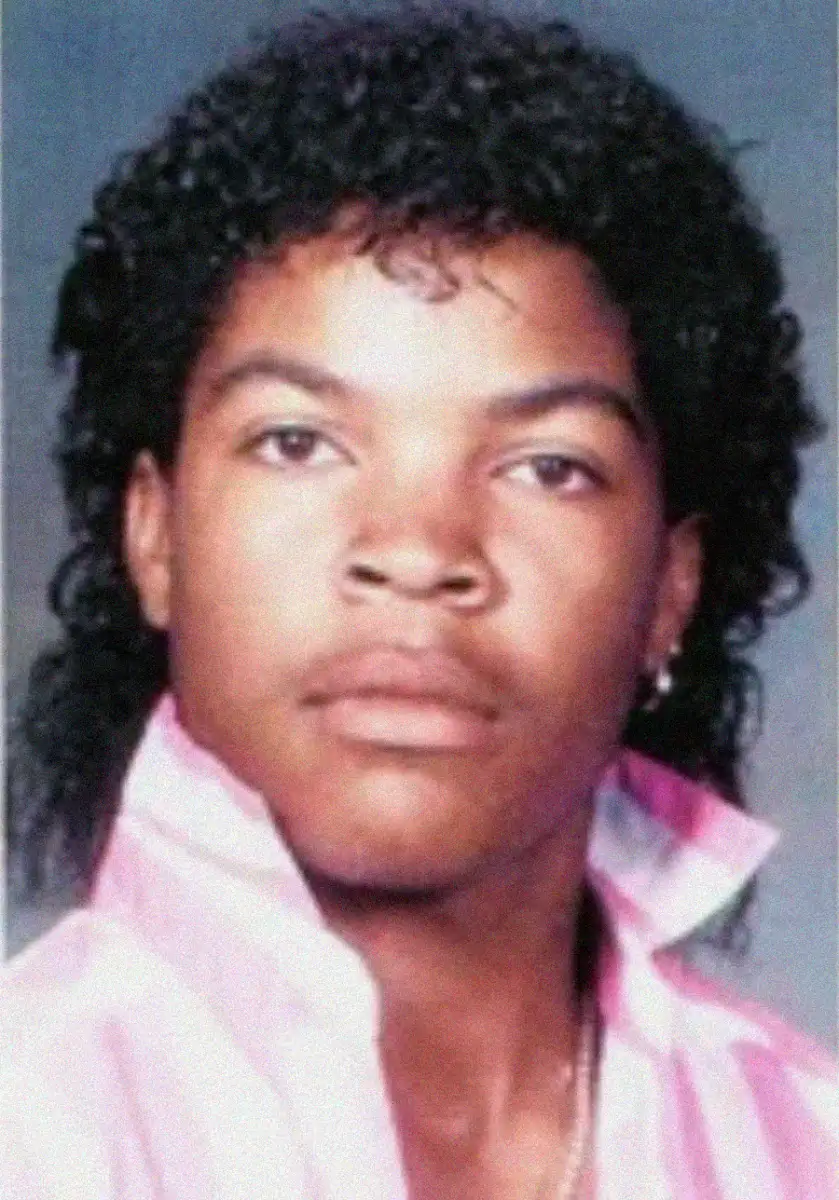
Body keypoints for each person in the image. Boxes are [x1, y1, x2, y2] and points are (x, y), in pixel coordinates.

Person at [4, 6, 835, 1198]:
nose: (416, 550)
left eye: (546, 466)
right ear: (155, 535)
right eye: (297, 442)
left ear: (669, 587)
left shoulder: (805, 1142)